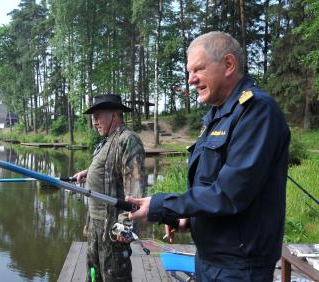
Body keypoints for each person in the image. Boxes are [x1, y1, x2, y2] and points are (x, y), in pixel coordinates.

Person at [127, 31, 290, 282]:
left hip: (239, 268)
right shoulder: (217, 114)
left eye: (198, 69)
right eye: (189, 72)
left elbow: (229, 194)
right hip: (209, 260)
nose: (191, 80)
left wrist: (162, 205)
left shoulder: (257, 111)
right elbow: (208, 186)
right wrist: (187, 216)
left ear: (228, 64)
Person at [73, 94, 146, 282]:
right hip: (95, 226)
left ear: (114, 114)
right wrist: (88, 172)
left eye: (98, 116)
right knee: (94, 275)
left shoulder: (128, 140)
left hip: (113, 228)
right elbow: (107, 166)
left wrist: (126, 224)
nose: (94, 122)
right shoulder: (107, 140)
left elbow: (135, 185)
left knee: (115, 276)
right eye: (93, 117)